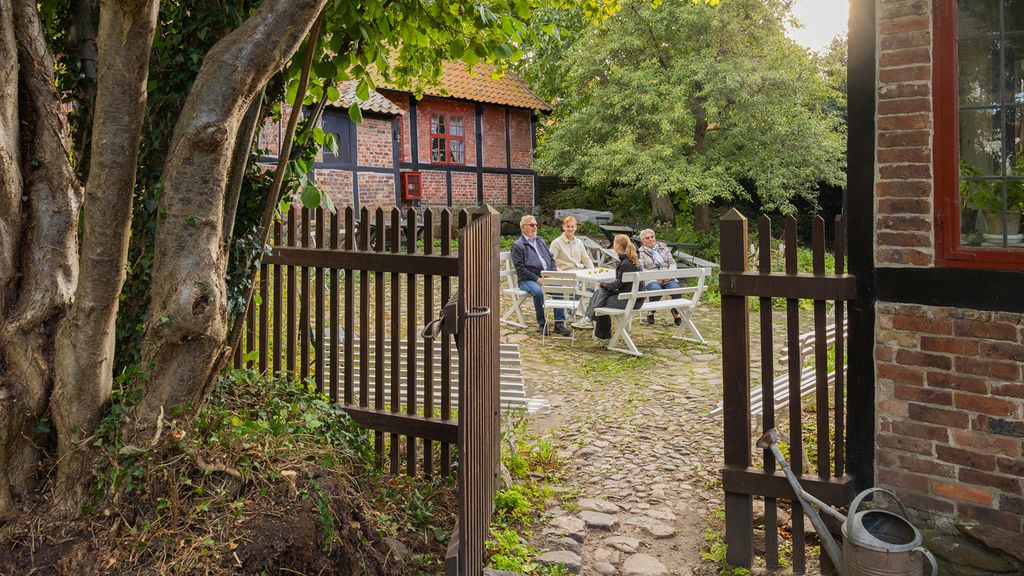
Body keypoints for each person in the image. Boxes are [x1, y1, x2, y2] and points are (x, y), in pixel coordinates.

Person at [571, 234, 643, 340]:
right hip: (633, 297)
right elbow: (620, 284)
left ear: (618, 246)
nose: (613, 245)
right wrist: (604, 287)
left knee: (600, 299)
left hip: (630, 300)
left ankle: (597, 329)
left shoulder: (626, 264)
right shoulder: (631, 260)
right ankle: (589, 321)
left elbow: (617, 285)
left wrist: (603, 284)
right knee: (600, 293)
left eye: (614, 243)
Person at [511, 215, 572, 336]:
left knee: (559, 289)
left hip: (546, 276)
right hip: (527, 279)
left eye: (535, 225)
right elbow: (520, 269)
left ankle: (559, 323)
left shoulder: (540, 241)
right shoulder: (518, 245)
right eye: (532, 225)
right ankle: (542, 323)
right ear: (523, 228)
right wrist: (537, 279)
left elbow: (551, 258)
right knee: (538, 292)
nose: (535, 227)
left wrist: (552, 273)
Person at [637, 228, 683, 326]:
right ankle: (651, 311)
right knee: (655, 288)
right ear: (642, 241)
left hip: (668, 276)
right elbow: (641, 268)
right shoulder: (640, 252)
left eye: (652, 236)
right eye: (647, 238)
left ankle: (675, 311)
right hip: (652, 277)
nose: (650, 239)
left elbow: (672, 263)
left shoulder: (664, 248)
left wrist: (669, 274)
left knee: (675, 289)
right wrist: (655, 276)